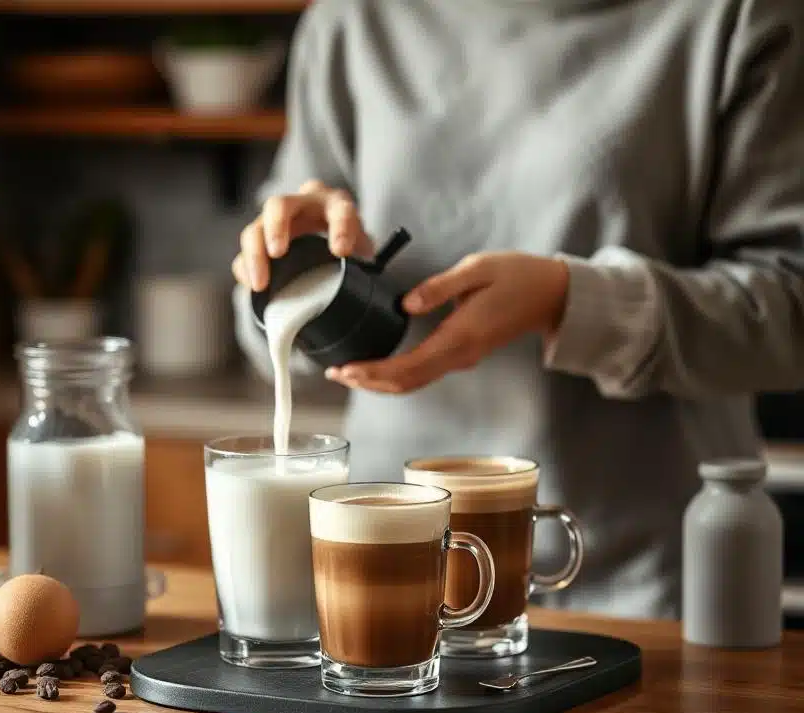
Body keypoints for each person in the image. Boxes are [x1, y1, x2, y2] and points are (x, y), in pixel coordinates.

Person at [229, 0, 804, 620]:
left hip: (636, 590)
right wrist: (295, 265)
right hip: (388, 572)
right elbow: (260, 330)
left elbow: (790, 309)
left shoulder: (740, 16)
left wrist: (569, 300)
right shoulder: (353, 21)